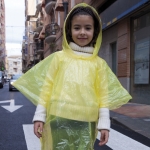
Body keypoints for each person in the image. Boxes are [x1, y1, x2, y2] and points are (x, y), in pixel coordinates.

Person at [13, 3, 132, 150]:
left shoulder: (99, 64)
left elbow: (103, 96)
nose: (82, 32)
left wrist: (104, 125)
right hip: (58, 118)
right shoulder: (59, 58)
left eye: (88, 28)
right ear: (69, 30)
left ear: (95, 31)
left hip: (86, 121)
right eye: (77, 28)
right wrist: (39, 117)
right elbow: (46, 89)